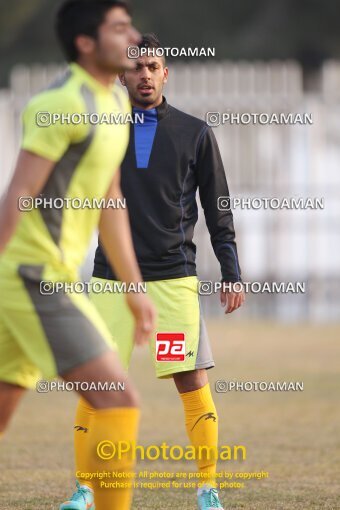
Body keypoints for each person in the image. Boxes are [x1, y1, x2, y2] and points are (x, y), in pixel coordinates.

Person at [66, 32, 245, 510]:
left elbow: (217, 207)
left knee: (191, 380)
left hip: (173, 281)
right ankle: (85, 489)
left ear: (166, 73)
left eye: (153, 67)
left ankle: (207, 488)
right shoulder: (102, 131)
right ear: (121, 75)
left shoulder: (195, 133)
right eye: (135, 67)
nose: (144, 75)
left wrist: (231, 270)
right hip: (111, 282)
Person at [0, 3, 157, 510]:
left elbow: (110, 202)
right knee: (118, 400)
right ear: (86, 43)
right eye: (119, 28)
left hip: (50, 276)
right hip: (32, 276)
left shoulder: (113, 104)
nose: (132, 35)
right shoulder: (60, 104)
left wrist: (135, 292)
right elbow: (18, 195)